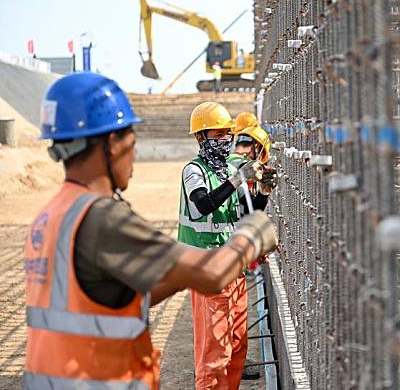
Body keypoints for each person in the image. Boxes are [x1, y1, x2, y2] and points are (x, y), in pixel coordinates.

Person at [23, 72, 279, 390]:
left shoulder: (52, 215)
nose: (134, 152)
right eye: (132, 138)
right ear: (112, 143)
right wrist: (254, 235)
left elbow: (121, 298)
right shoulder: (103, 218)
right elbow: (212, 273)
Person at [179, 102, 271, 389]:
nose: (224, 140)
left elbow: (245, 212)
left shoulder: (229, 168)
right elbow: (203, 205)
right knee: (214, 352)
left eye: (226, 134)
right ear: (200, 137)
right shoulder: (193, 171)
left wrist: (264, 193)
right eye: (217, 135)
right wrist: (236, 179)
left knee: (235, 346)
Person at [227, 124, 277, 381]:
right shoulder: (234, 164)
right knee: (225, 316)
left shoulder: (238, 169)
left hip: (234, 252)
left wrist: (265, 193)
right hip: (223, 253)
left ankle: (232, 364)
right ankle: (218, 368)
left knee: (235, 313)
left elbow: (249, 209)